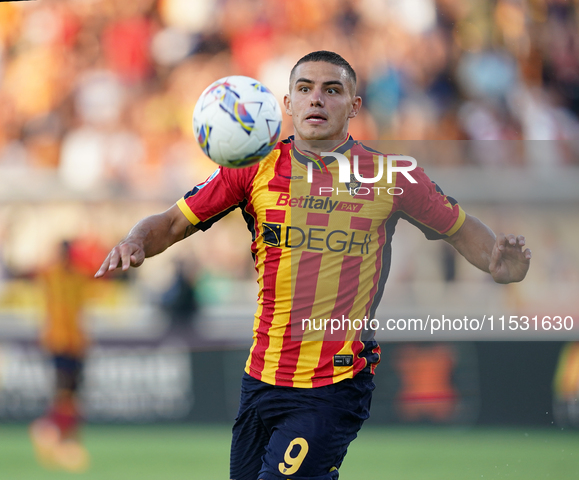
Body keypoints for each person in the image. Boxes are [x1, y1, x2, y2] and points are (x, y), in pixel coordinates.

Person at [95, 51, 531, 480]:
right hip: (261, 377)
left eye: (331, 90)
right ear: (287, 104)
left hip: (333, 384)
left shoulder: (391, 176)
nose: (316, 99)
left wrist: (495, 261)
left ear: (354, 106)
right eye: (304, 89)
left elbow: (459, 227)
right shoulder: (255, 168)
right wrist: (135, 241)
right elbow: (172, 222)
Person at [30, 240, 91, 472]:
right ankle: (54, 435)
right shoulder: (50, 274)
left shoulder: (78, 276)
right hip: (58, 341)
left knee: (73, 394)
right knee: (63, 391)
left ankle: (62, 438)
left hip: (76, 342)